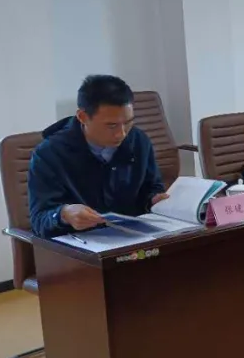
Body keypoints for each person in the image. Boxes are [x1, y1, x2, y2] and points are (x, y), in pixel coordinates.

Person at [28, 75, 167, 239]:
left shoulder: (138, 141)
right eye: (111, 125)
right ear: (82, 117)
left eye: (128, 122)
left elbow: (151, 188)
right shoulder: (49, 154)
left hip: (133, 239)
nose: (122, 133)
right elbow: (39, 220)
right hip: (80, 245)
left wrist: (154, 200)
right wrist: (63, 214)